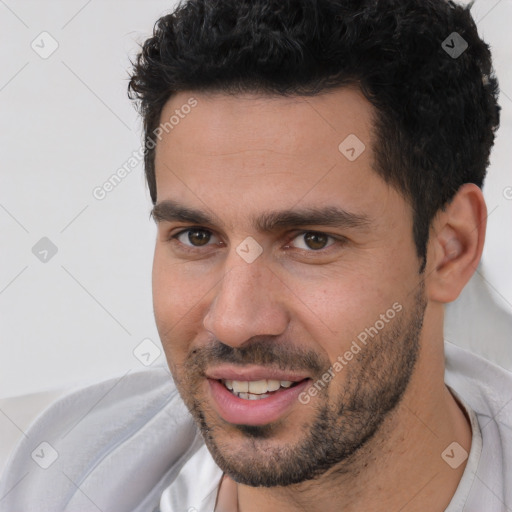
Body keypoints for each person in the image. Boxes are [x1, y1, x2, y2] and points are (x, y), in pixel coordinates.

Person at [0, 0, 510, 511]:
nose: (234, 322)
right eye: (197, 236)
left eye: (312, 240)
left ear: (451, 249)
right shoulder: (49, 471)